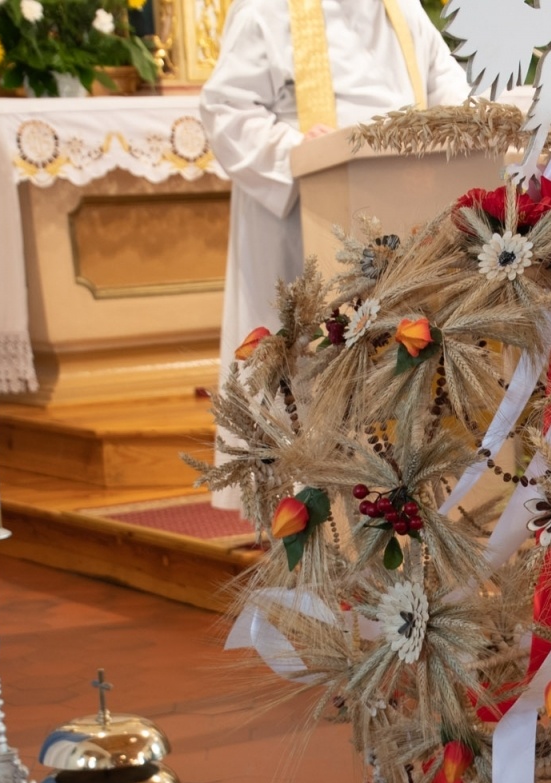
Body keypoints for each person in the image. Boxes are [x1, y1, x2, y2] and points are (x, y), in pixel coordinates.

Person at [201, 0, 471, 510]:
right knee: (306, 381)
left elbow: (453, 103)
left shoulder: (401, 10)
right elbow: (226, 111)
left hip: (401, 225)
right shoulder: (264, 10)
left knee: (400, 392)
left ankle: (399, 510)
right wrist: (300, 151)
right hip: (304, 222)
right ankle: (305, 535)